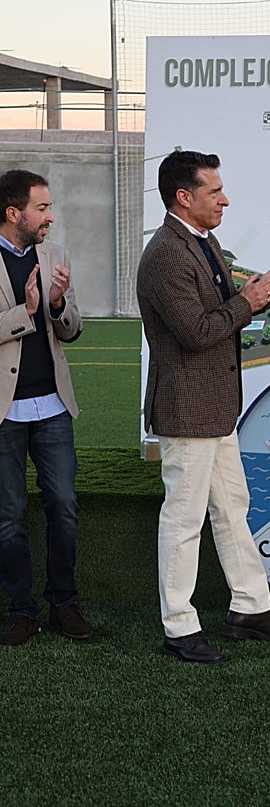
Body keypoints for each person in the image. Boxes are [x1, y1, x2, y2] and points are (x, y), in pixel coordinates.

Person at [136, 150, 270, 664]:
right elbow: (196, 332)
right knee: (184, 519)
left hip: (215, 409)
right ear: (184, 197)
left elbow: (215, 315)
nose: (225, 198)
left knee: (232, 509)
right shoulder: (166, 253)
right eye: (214, 191)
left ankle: (249, 607)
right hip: (188, 409)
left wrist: (253, 296)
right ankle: (179, 627)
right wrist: (249, 302)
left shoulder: (201, 243)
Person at [0, 169, 91, 646]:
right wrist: (27, 313)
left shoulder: (55, 254)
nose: (51, 217)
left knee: (64, 506)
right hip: (4, 414)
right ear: (14, 213)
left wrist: (55, 306)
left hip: (53, 406)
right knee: (9, 517)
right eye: (42, 208)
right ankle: (21, 609)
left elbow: (72, 329)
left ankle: (64, 603)